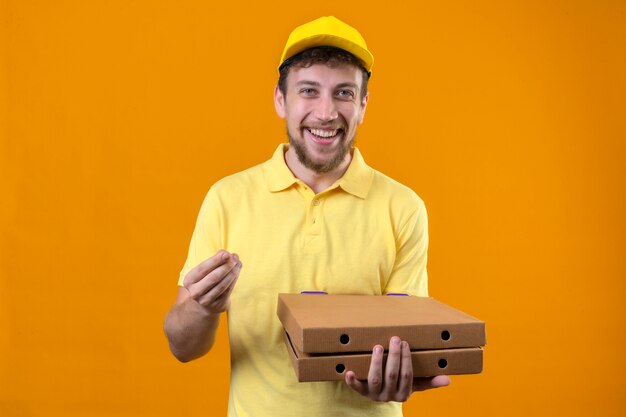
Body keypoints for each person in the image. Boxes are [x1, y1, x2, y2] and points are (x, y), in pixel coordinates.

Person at [164, 16, 450, 417]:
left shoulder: (403, 207)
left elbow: (408, 342)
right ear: (281, 100)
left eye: (344, 93)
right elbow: (182, 347)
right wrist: (202, 308)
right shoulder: (227, 199)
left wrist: (397, 377)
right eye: (309, 91)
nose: (326, 112)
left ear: (363, 105)